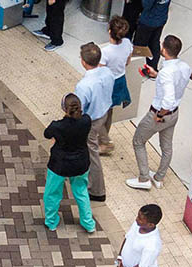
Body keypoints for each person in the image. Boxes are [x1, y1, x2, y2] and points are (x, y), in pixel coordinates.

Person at [126, 35, 192, 190]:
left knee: (138, 141)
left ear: (163, 49)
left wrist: (159, 115)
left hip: (159, 114)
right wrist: (156, 74)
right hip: (174, 114)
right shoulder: (184, 66)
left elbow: (167, 100)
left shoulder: (167, 72)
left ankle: (143, 179)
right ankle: (159, 178)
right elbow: (174, 84)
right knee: (167, 147)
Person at [43, 93, 95, 232]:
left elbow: (47, 134)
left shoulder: (57, 126)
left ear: (64, 108)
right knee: (81, 192)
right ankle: (88, 223)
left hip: (59, 165)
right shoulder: (86, 121)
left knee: (52, 193)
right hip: (81, 163)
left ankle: (51, 221)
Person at [74, 42, 114, 203]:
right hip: (104, 112)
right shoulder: (107, 72)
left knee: (92, 153)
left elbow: (78, 109)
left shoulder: (83, 86)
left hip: (91, 120)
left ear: (83, 62)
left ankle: (97, 190)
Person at [133, 0, 176, 71]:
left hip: (147, 22)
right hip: (161, 20)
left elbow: (146, 5)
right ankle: (152, 68)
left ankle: (135, 69)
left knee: (139, 45)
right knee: (154, 43)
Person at [99, 16, 133, 156]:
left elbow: (99, 72)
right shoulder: (127, 43)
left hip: (107, 84)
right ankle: (103, 138)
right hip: (120, 81)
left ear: (109, 31)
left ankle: (104, 141)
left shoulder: (105, 52)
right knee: (109, 111)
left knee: (99, 112)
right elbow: (128, 62)